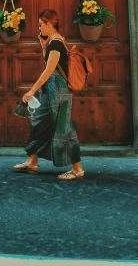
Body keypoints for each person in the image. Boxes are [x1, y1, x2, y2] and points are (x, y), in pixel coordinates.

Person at [13, 9, 85, 181]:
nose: (39, 29)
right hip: (51, 90)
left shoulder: (56, 43)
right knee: (38, 121)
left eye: (40, 25)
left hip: (58, 91)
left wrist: (31, 91)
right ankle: (32, 161)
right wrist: (41, 42)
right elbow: (50, 63)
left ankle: (77, 169)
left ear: (49, 24)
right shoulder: (52, 41)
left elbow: (48, 70)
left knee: (64, 128)